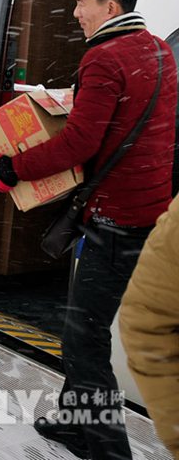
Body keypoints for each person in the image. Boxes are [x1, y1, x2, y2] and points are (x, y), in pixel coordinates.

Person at [0, 0, 177, 460]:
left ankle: (109, 451)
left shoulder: (104, 57)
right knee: (86, 322)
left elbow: (79, 144)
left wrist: (12, 168)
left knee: (82, 340)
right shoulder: (158, 49)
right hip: (149, 216)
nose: (75, 13)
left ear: (110, 6)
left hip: (114, 221)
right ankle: (75, 426)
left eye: (81, 2)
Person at [119, 194, 179, 458]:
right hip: (119, 227)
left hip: (113, 227)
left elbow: (146, 322)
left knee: (85, 341)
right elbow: (147, 323)